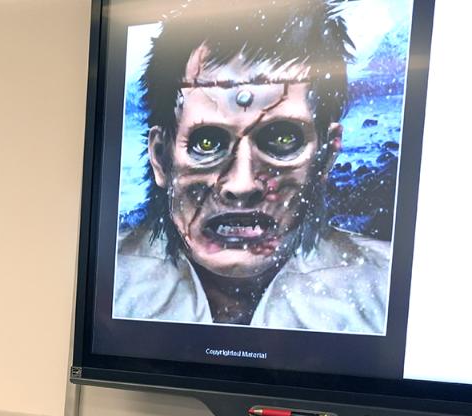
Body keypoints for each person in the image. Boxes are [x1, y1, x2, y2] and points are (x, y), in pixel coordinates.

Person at [112, 0, 391, 331]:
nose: (241, 185)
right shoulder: (112, 284)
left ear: (327, 156)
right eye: (207, 143)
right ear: (160, 157)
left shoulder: (387, 289)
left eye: (282, 139)